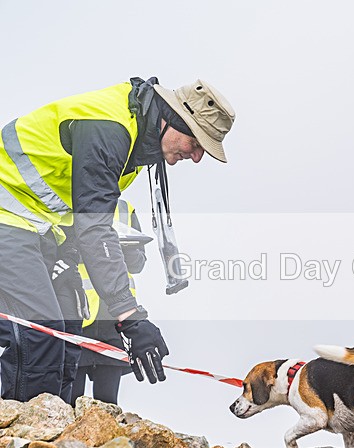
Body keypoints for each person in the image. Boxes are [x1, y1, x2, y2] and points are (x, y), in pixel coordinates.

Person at [0, 77, 235, 402]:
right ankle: (23, 439)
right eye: (197, 143)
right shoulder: (109, 128)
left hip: (40, 228)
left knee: (67, 332)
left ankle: (58, 436)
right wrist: (129, 316)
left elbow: (74, 203)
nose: (196, 157)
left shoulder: (138, 142)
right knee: (42, 329)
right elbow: (95, 225)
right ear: (174, 120)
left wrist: (66, 252)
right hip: (7, 216)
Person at [70, 198, 146, 406]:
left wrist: (125, 250)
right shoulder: (73, 203)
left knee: (108, 404)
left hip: (113, 321)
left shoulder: (126, 209)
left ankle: (108, 438)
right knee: (70, 401)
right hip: (79, 316)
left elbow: (139, 263)